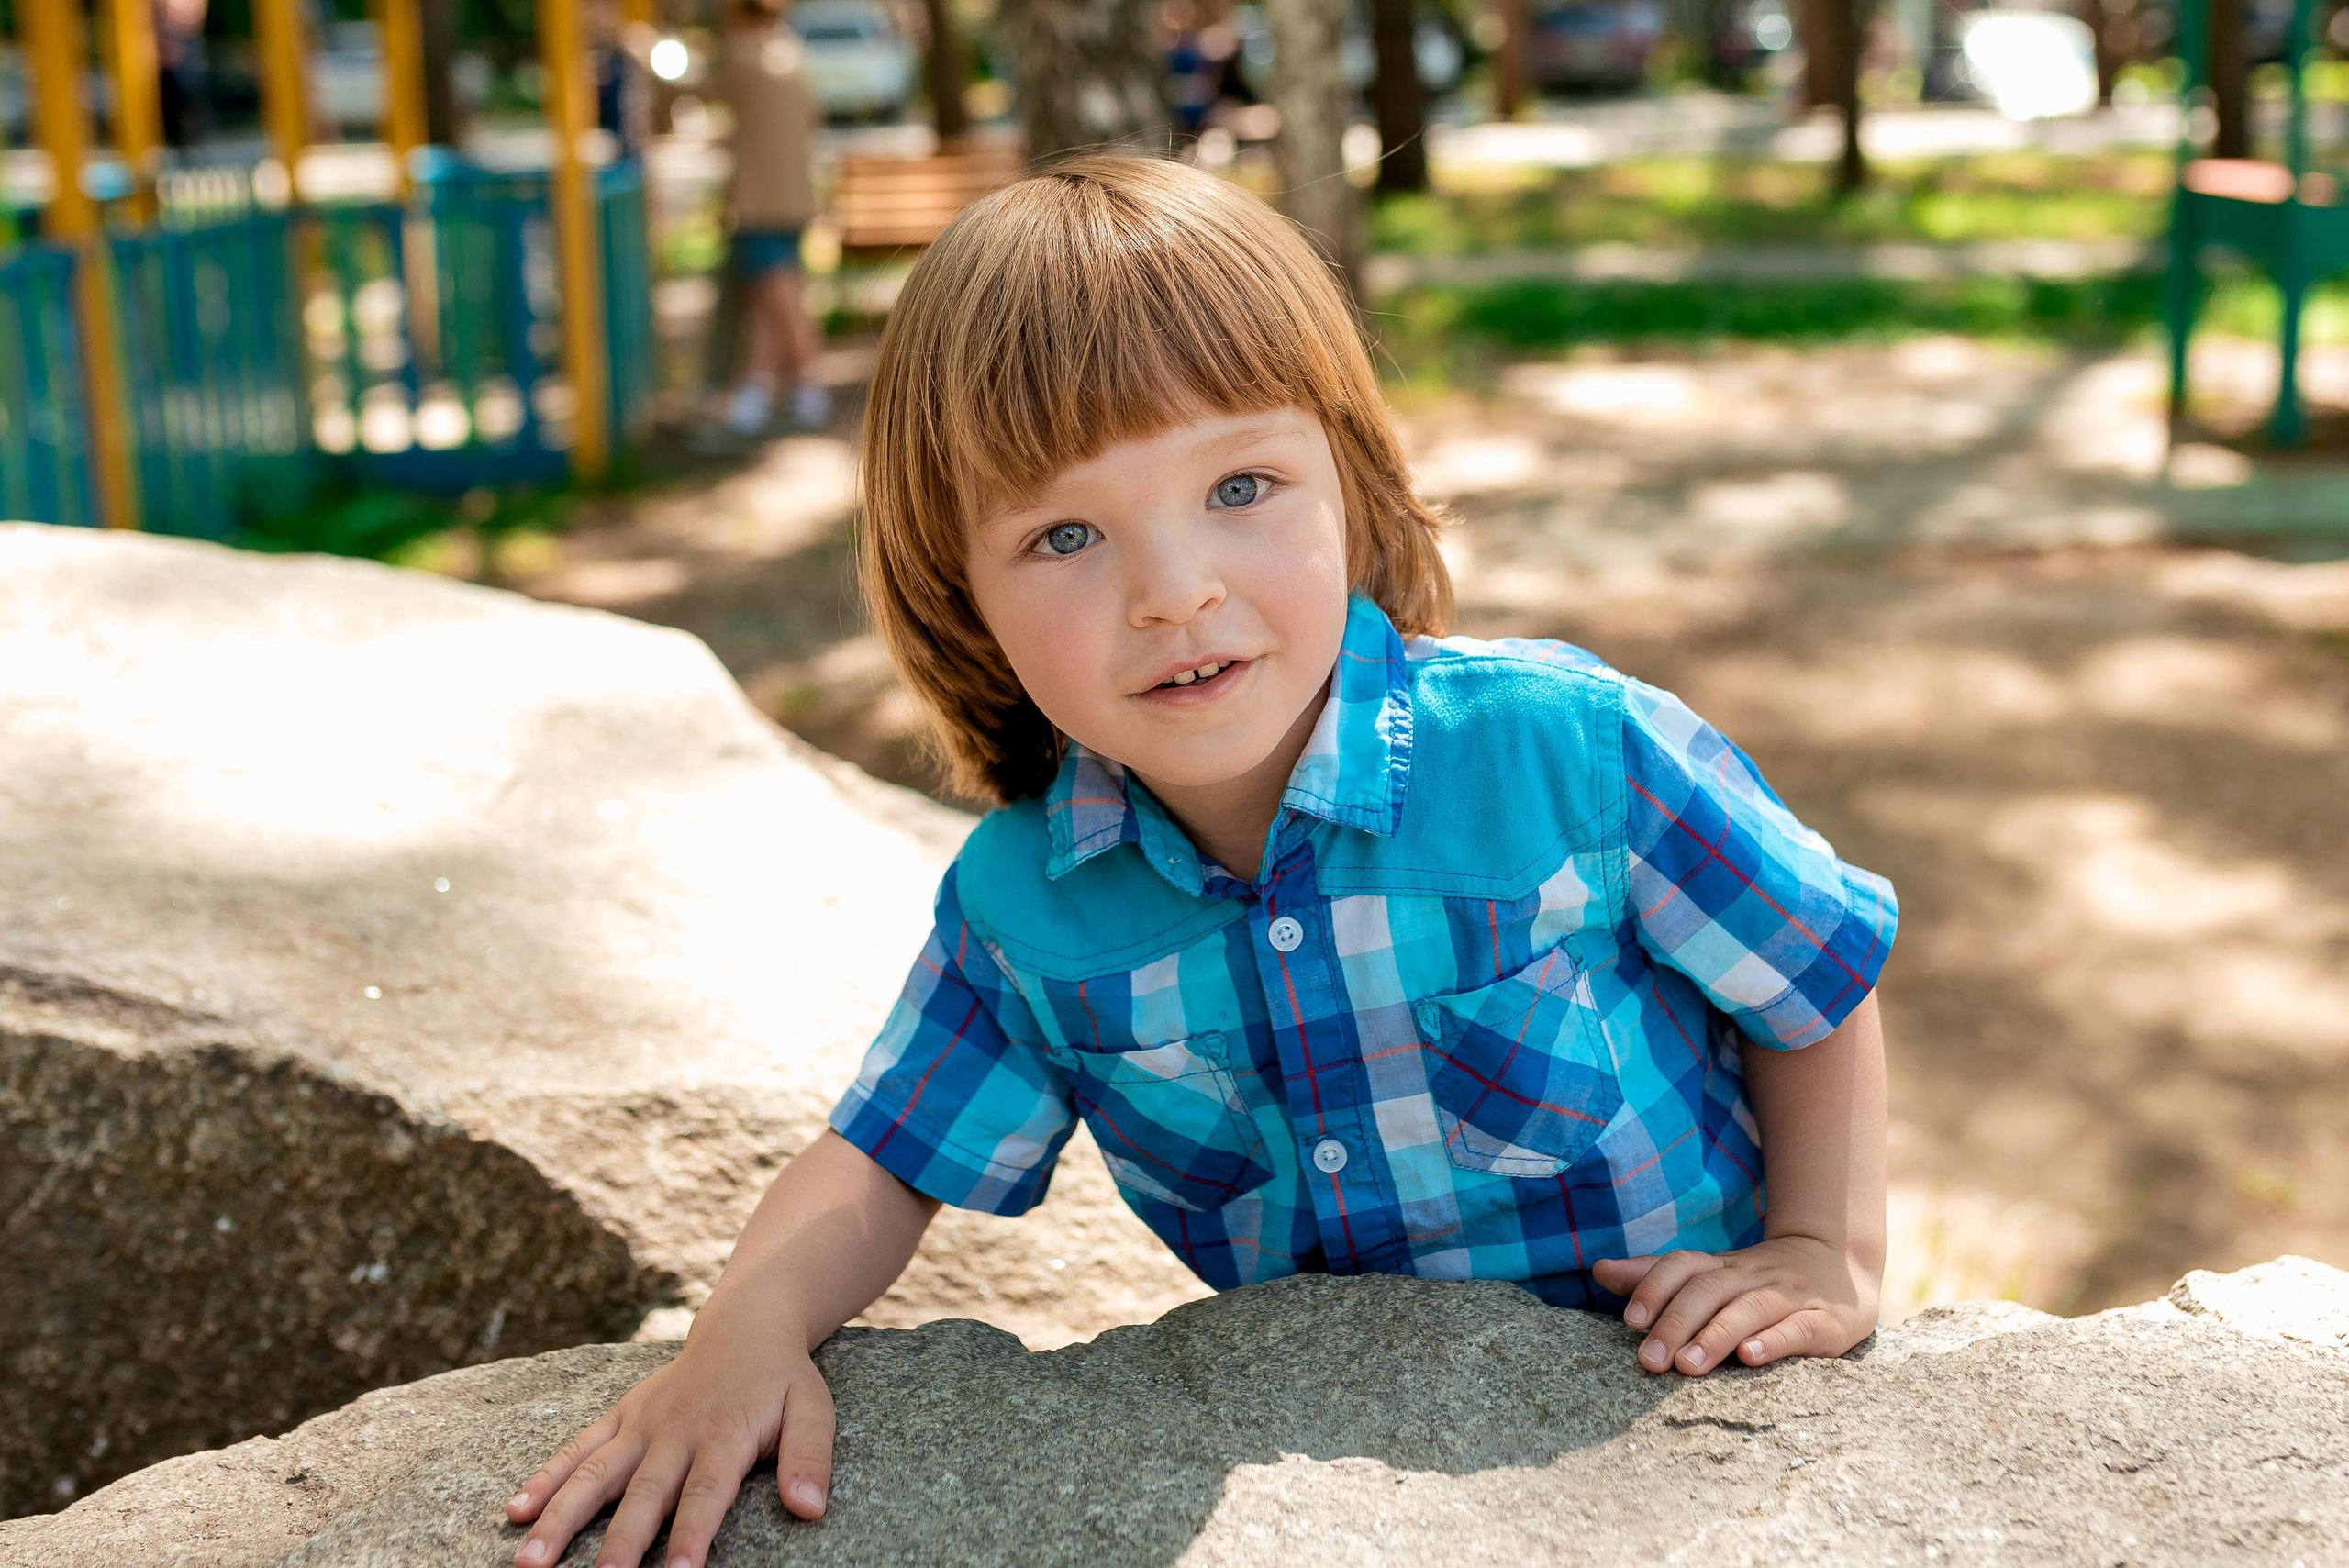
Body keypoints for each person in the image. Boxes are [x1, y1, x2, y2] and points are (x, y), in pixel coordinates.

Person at [505, 155, 1897, 1568]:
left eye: (1241, 483)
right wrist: (741, 1334)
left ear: (1349, 483)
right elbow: (882, 1158)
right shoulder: (1028, 909)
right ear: (960, 596)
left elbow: (1818, 982)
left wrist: (1822, 1252)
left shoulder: (1571, 754)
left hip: (1677, 1419)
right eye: (1064, 535)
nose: (1174, 590)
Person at [704, 0, 829, 443]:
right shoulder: (792, 56)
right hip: (793, 198)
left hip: (759, 203)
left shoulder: (743, 58)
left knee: (780, 301)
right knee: (768, 303)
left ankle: (808, 387)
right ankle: (759, 393)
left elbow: (691, 90)